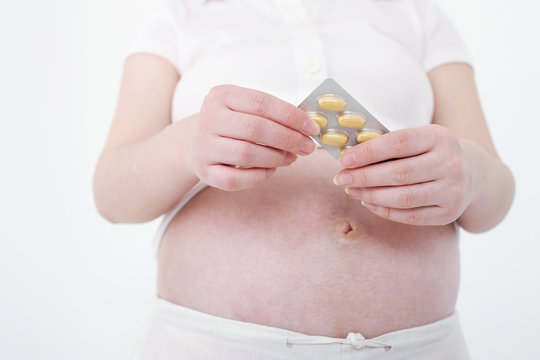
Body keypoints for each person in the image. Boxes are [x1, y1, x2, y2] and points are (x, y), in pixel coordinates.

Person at [93, 0, 515, 358]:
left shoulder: (417, 15)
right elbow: (112, 196)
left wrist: (472, 176)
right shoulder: (180, 17)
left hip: (419, 346)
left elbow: (493, 201)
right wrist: (183, 145)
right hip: (214, 343)